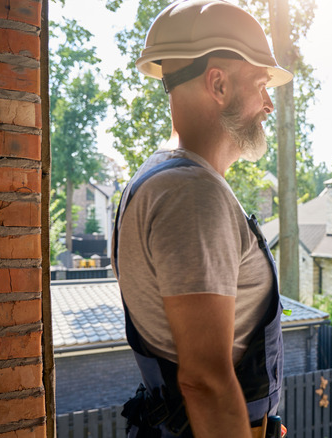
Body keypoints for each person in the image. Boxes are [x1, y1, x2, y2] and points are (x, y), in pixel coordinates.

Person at [112, 1, 292, 437]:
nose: (269, 104)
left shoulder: (164, 178)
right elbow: (205, 382)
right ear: (218, 84)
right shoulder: (191, 194)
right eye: (261, 84)